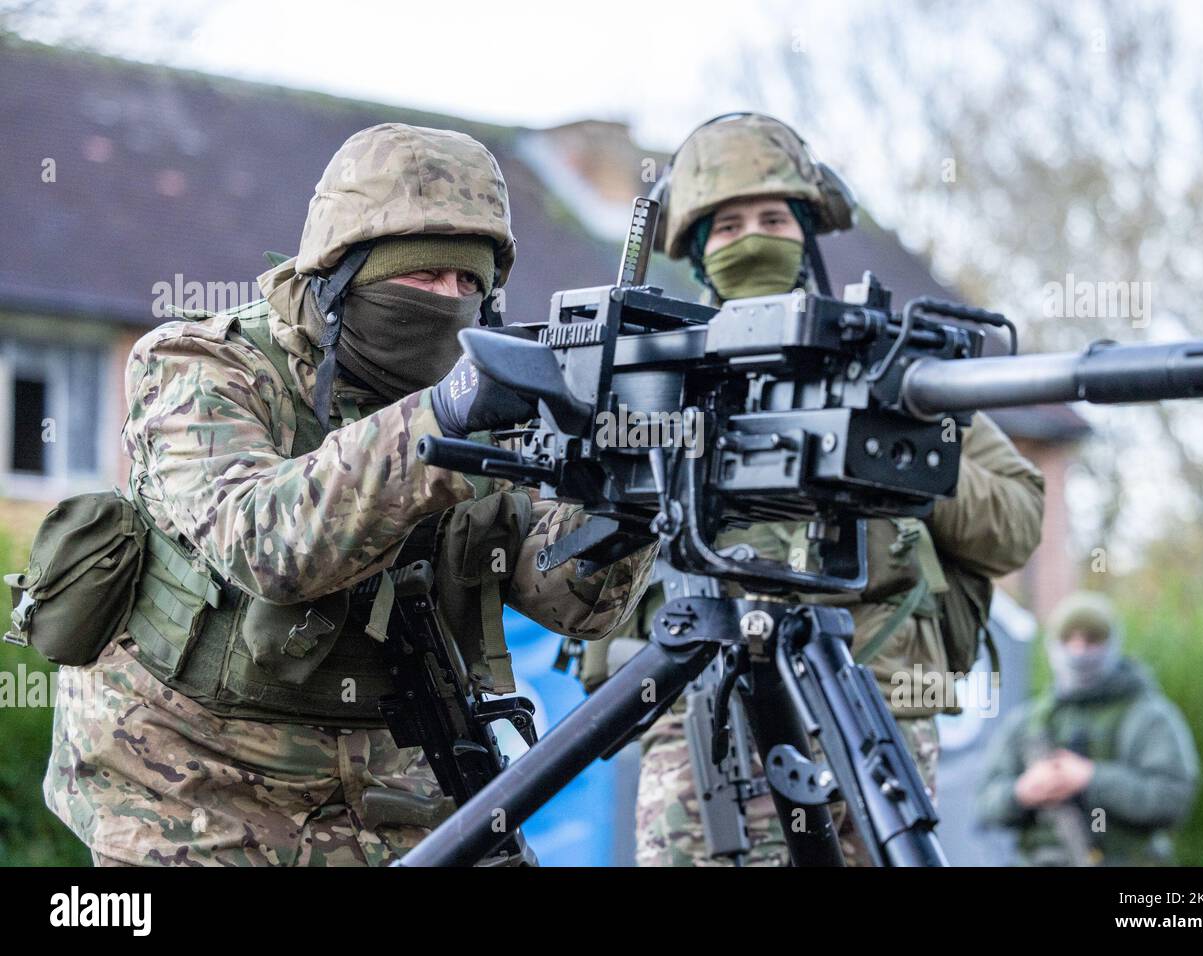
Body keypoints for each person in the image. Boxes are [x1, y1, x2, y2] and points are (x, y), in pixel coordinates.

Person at [43, 123, 653, 867]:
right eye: (423, 276)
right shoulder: (197, 365)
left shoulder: (489, 398)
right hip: (192, 796)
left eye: (470, 284)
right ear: (340, 274)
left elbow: (571, 602)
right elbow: (265, 544)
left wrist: (630, 480)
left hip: (405, 789)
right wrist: (444, 416)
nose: (449, 300)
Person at [579, 113, 1046, 866]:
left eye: (773, 218)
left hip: (876, 707)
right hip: (702, 714)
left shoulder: (888, 365)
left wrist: (896, 457)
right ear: (697, 251)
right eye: (727, 226)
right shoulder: (659, 372)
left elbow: (1017, 522)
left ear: (807, 230)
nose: (754, 237)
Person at [976, 591, 1198, 866]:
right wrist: (1022, 792)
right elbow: (985, 803)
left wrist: (1090, 779)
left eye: (1092, 640)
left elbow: (1172, 798)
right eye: (1069, 640)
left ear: (1112, 644)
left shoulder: (1146, 716)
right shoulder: (1028, 721)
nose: (1079, 652)